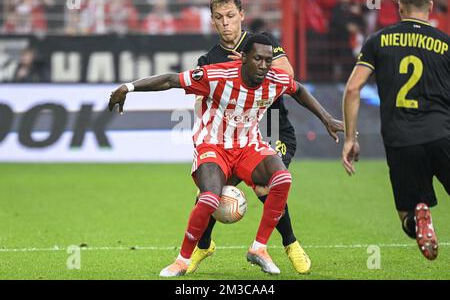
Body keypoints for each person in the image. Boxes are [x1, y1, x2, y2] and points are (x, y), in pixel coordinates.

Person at [109, 34, 343, 276]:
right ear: (243, 58)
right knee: (209, 198)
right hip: (212, 145)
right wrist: (128, 87)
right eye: (257, 59)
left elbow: (299, 90)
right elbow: (170, 80)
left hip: (247, 146)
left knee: (282, 179)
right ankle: (182, 260)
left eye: (267, 60)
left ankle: (259, 249)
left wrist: (327, 119)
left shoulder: (274, 79)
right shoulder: (217, 76)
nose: (263, 66)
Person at [189, 0, 325, 275]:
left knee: (268, 188)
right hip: (230, 138)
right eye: (219, 17)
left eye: (230, 16)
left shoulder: (261, 44)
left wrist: (246, 70)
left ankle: (291, 244)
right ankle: (203, 245)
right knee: (209, 194)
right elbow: (201, 103)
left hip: (273, 129)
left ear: (241, 15)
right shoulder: (208, 60)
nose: (225, 22)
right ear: (213, 22)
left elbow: (287, 76)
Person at [341, 0, 449, 261]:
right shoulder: (446, 44)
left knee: (407, 215)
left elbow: (353, 89)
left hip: (400, 140)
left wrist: (351, 139)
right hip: (441, 134)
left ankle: (418, 217)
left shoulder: (378, 41)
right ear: (430, 6)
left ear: (399, 7)